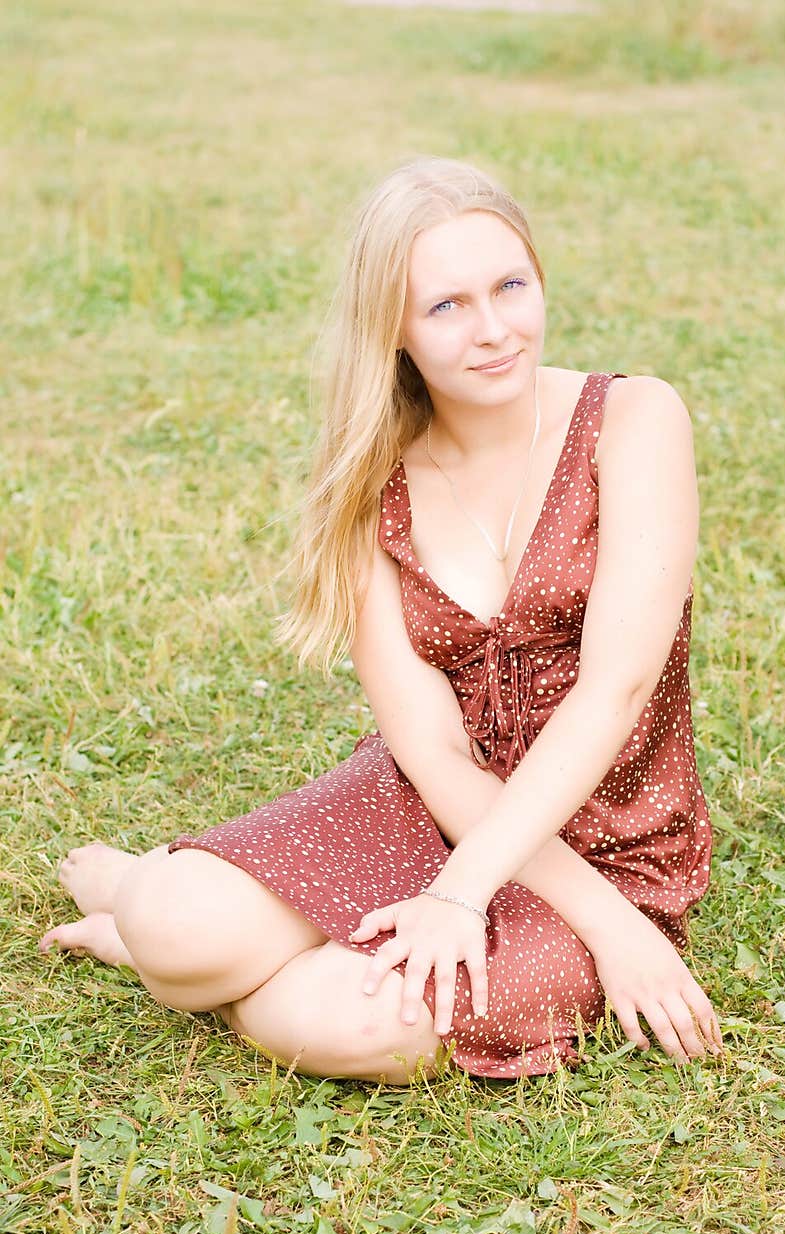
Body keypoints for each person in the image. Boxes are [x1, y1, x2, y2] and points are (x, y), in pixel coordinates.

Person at [40, 155, 721, 1083]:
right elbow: (434, 754)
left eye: (510, 286)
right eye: (446, 306)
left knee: (354, 1023)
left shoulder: (634, 418)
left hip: (604, 848)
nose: (494, 331)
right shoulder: (372, 484)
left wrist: (604, 925)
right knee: (174, 923)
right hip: (421, 805)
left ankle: (202, 959)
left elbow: (618, 689)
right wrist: (449, 889)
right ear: (392, 329)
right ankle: (152, 910)